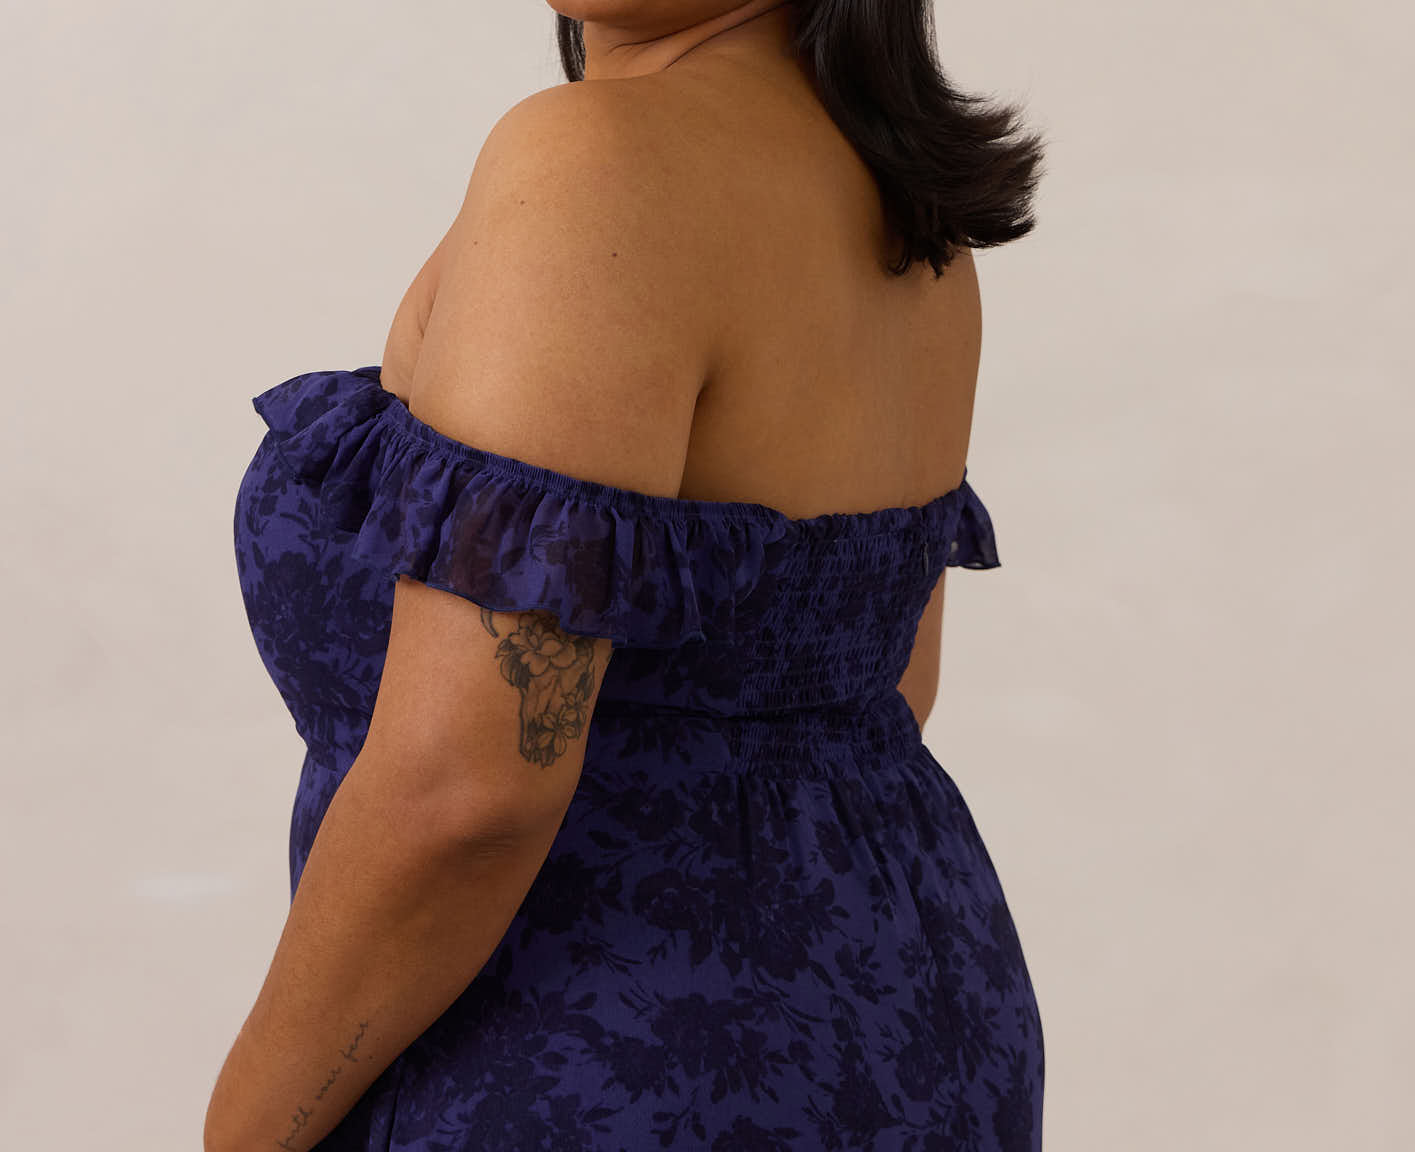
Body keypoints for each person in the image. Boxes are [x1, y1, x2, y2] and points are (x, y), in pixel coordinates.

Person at [208, 2, 1047, 1149]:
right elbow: (889, 691)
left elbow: (467, 792)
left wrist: (249, 1125)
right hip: (915, 1019)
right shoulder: (896, 191)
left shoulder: (601, 161)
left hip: (603, 1064)